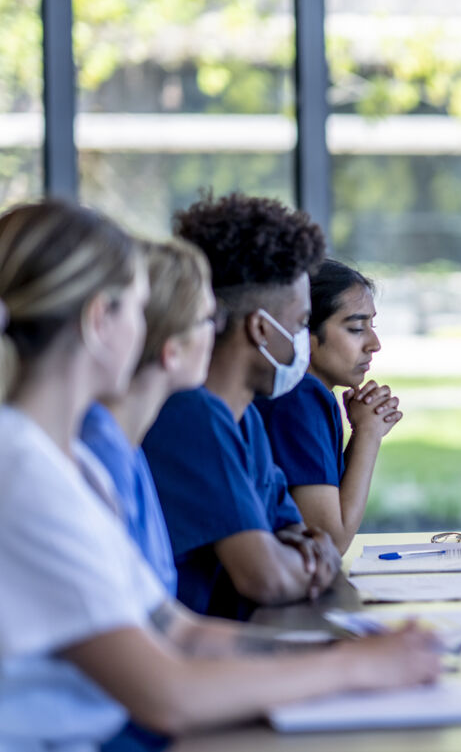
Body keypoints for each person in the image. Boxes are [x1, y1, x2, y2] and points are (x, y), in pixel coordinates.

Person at [0, 202, 440, 749]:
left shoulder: (70, 466)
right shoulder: (17, 478)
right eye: (140, 308)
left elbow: (177, 631)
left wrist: (349, 655)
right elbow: (166, 693)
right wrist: (352, 671)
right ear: (100, 322)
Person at [143, 191, 341, 619]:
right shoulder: (192, 415)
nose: (306, 341)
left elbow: (301, 533)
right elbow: (265, 577)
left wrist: (306, 551)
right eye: (301, 323)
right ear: (260, 328)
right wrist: (311, 568)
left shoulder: (245, 417)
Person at [80, 238, 216, 597]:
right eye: (208, 319)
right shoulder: (99, 455)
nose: (216, 332)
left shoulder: (124, 443)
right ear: (172, 349)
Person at [257, 259, 401, 554]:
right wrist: (369, 434)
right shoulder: (300, 397)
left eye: (371, 325)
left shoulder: (313, 395)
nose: (374, 343)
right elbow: (330, 542)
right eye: (356, 328)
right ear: (302, 332)